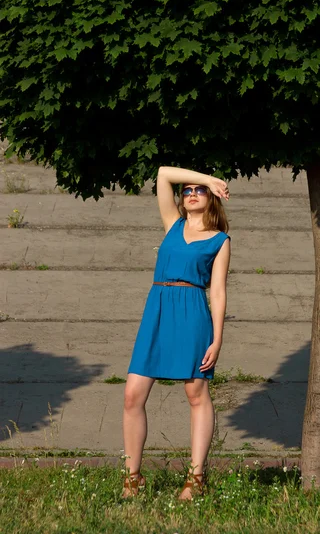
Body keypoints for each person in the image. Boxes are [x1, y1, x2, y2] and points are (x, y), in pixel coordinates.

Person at [122, 165, 231, 501]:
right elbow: (162, 173)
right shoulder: (173, 223)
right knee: (132, 395)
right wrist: (207, 178)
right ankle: (133, 478)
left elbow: (218, 292)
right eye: (187, 190)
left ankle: (196, 478)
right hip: (157, 310)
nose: (191, 194)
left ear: (211, 199)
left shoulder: (219, 240)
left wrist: (217, 338)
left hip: (192, 315)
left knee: (196, 395)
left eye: (199, 190)